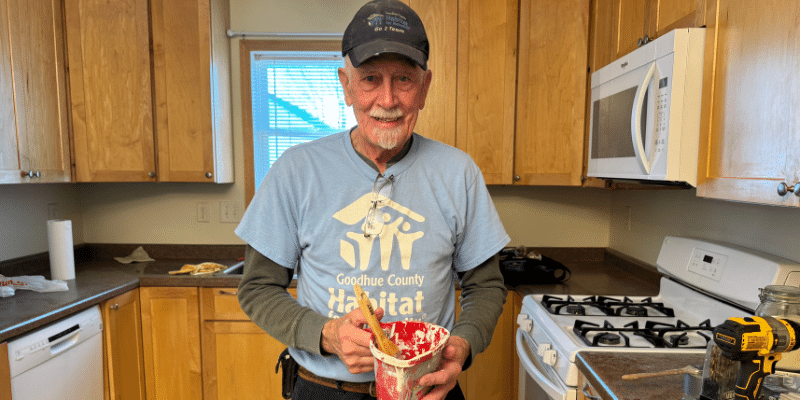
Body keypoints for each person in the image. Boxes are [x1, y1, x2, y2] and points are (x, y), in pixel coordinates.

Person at [235, 0, 510, 399]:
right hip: (324, 388)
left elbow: (486, 287)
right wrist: (327, 334)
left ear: (425, 88)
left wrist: (461, 347)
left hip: (426, 391)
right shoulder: (296, 170)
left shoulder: (458, 172)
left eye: (403, 79)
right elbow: (257, 287)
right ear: (347, 86)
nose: (387, 99)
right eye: (369, 79)